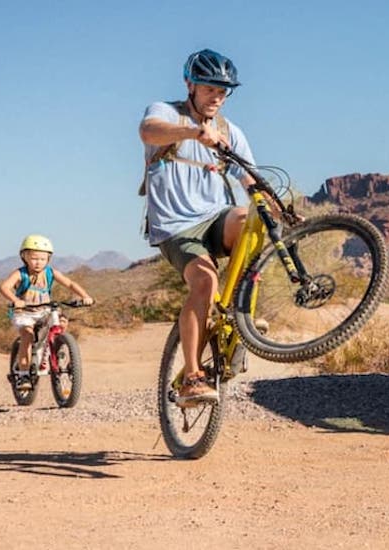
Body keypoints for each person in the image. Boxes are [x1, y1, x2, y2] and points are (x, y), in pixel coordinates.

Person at [138, 48, 255, 406]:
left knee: (251, 219)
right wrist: (192, 132)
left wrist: (279, 208)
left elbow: (249, 177)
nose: (217, 97)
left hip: (215, 217)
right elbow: (148, 131)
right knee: (204, 282)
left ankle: (241, 314)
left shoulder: (228, 131)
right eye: (209, 89)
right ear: (190, 85)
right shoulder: (166, 113)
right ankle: (191, 377)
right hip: (175, 227)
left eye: (223, 91)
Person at [0, 235, 95, 390]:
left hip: (44, 309)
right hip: (25, 313)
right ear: (25, 257)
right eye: (34, 258)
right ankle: (23, 375)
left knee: (61, 321)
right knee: (27, 336)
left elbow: (69, 283)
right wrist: (15, 300)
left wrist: (84, 296)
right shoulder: (20, 273)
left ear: (48, 259)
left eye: (43, 259)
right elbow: (4, 287)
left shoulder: (50, 272)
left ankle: (59, 347)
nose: (38, 262)